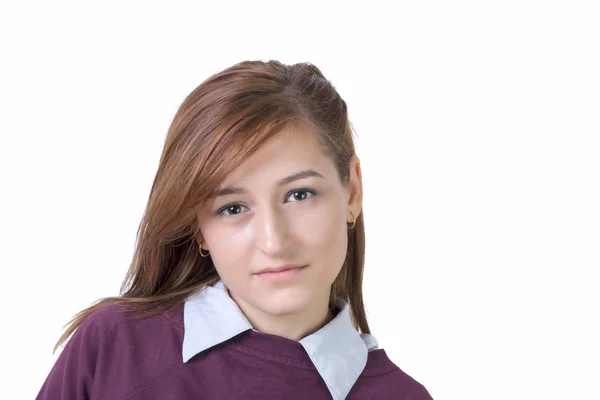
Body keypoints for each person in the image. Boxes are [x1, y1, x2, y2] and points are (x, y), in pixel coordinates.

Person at [37, 60, 433, 400]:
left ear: (353, 192)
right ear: (198, 228)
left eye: (299, 194)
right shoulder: (114, 347)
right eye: (232, 208)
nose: (274, 242)